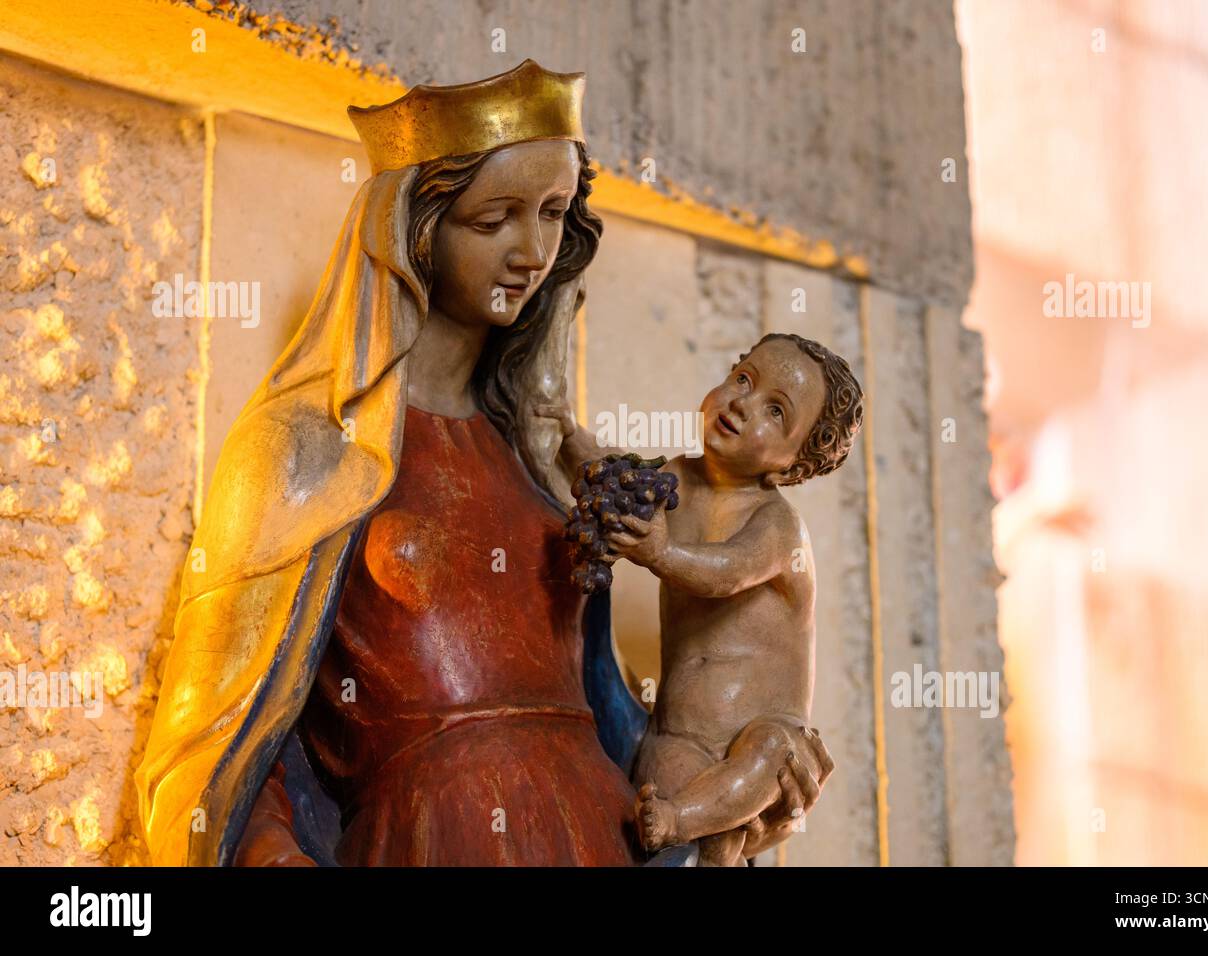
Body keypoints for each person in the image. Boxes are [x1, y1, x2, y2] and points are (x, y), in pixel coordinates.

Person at [134, 61, 829, 867]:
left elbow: (603, 712)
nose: (532, 252)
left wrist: (744, 774)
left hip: (599, 831)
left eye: (552, 214)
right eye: (495, 218)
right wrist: (268, 853)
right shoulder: (302, 448)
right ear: (414, 226)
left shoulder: (543, 455)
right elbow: (222, 745)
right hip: (436, 834)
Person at [546, 333, 860, 865]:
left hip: (758, 749)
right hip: (680, 738)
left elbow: (727, 573)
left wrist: (662, 553)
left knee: (772, 750)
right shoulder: (679, 477)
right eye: (743, 378)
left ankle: (682, 822)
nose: (741, 402)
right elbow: (613, 480)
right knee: (671, 798)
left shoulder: (777, 526)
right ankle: (692, 834)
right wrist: (564, 431)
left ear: (790, 466)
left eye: (774, 411)